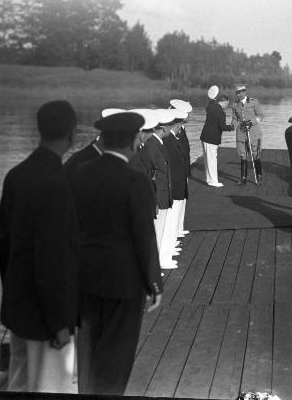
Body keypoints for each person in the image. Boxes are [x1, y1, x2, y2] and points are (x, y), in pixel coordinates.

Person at [70, 112, 162, 396]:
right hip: (124, 283)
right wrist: (154, 283)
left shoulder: (79, 173)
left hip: (84, 278)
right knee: (116, 356)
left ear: (104, 139)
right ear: (135, 141)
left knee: (86, 351)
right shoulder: (136, 182)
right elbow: (143, 236)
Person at [0, 100, 78, 393]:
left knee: (18, 382)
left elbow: (2, 245)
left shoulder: (16, 176)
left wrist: (14, 293)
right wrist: (60, 323)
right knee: (53, 386)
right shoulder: (57, 183)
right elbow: (52, 259)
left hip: (18, 311)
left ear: (38, 130)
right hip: (47, 320)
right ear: (72, 134)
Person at [134, 109, 178, 270]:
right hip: (155, 195)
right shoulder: (150, 146)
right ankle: (153, 266)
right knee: (155, 233)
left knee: (158, 232)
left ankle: (156, 264)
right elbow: (151, 172)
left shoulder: (151, 145)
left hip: (158, 194)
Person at [162, 109, 190, 257]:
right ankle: (166, 252)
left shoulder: (172, 139)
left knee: (172, 219)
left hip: (178, 183)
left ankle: (169, 246)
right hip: (173, 185)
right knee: (169, 220)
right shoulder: (169, 141)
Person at [231, 85, 264, 184]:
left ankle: (259, 174)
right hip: (241, 133)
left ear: (244, 92)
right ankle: (243, 178)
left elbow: (261, 116)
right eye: (236, 93)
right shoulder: (234, 105)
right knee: (243, 155)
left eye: (240, 92)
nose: (238, 94)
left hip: (254, 132)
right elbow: (234, 118)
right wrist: (232, 124)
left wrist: (251, 122)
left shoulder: (254, 102)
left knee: (255, 154)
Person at [200, 94, 234, 187]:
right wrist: (232, 127)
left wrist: (212, 98)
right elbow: (222, 127)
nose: (227, 106)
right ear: (224, 102)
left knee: (207, 160)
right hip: (211, 139)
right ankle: (213, 181)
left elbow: (208, 106)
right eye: (227, 103)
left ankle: (209, 179)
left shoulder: (210, 107)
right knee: (212, 160)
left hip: (204, 137)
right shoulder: (221, 112)